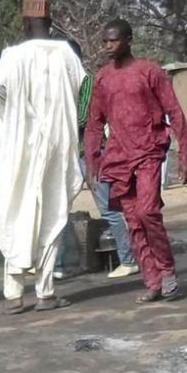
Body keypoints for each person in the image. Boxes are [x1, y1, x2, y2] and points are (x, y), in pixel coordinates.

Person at [85, 18, 187, 304]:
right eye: (105, 41)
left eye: (114, 40)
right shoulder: (102, 78)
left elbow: (175, 111)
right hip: (119, 158)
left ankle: (168, 271)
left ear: (129, 40)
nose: (109, 46)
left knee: (148, 212)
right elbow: (95, 123)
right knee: (133, 220)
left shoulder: (150, 71)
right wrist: (92, 161)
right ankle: (152, 281)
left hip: (148, 151)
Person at [0, 0, 84, 313]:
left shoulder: (11, 56)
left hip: (19, 148)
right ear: (50, 23)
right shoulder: (66, 53)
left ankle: (14, 295)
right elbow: (83, 86)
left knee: (16, 210)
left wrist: (11, 116)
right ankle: (45, 293)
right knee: (52, 213)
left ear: (25, 23)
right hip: (57, 144)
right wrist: (73, 124)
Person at [73, 38, 137, 279]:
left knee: (110, 208)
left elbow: (83, 120)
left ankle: (128, 258)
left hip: (90, 153)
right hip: (75, 153)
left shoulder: (88, 81)